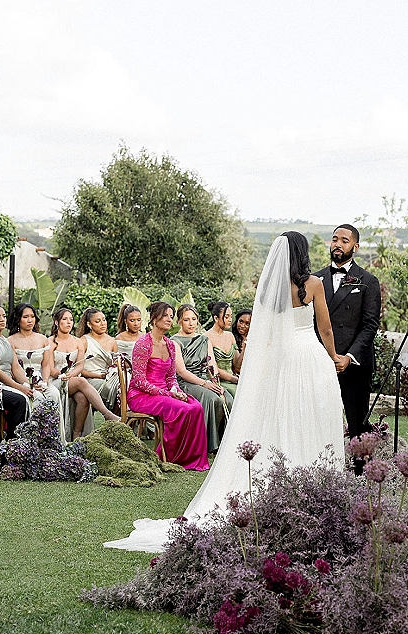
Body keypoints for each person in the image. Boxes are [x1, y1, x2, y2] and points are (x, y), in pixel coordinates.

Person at [104, 232, 345, 552]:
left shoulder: (269, 295)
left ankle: (280, 480)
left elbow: (264, 339)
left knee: (278, 419)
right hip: (308, 357)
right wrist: (333, 356)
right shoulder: (312, 285)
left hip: (282, 361)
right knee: (310, 417)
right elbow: (325, 328)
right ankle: (315, 486)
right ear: (302, 254)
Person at [314, 224, 382, 445]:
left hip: (354, 366)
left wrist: (348, 357)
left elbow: (370, 325)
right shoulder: (315, 280)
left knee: (357, 427)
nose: (338, 244)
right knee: (318, 422)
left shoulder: (368, 281)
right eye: (335, 239)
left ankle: (361, 477)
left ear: (356, 246)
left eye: (344, 240)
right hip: (320, 362)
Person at [125, 301, 209, 470]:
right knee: (181, 409)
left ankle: (191, 458)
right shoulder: (143, 344)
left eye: (171, 316)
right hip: (141, 395)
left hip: (164, 393)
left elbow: (171, 378)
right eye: (165, 316)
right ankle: (168, 456)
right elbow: (139, 381)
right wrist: (167, 394)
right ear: (154, 319)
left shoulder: (170, 345)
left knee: (195, 406)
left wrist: (177, 391)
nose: (169, 320)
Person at [49, 308, 120, 439]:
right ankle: (106, 413)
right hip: (55, 380)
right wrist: (62, 375)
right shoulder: (50, 341)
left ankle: (76, 434)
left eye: (71, 319)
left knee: (82, 397)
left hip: (72, 378)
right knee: (82, 381)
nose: (68, 322)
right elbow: (50, 369)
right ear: (56, 322)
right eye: (64, 319)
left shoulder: (77, 341)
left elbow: (80, 365)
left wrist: (72, 374)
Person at [172, 304, 233, 454]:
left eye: (194, 319)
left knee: (227, 398)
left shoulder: (204, 340)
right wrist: (204, 383)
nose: (191, 323)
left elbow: (211, 364)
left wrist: (215, 382)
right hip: (186, 383)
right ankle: (209, 444)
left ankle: (226, 443)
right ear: (179, 321)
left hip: (205, 380)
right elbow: (181, 371)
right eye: (186, 320)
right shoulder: (174, 341)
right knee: (213, 400)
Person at [7, 303, 65, 442]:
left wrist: (45, 381)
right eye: (25, 317)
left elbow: (45, 364)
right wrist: (29, 384)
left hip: (41, 379)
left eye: (32, 316)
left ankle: (56, 441)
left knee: (54, 393)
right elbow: (15, 368)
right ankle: (36, 441)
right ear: (18, 319)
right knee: (37, 397)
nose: (30, 320)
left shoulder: (42, 339)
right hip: (22, 381)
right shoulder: (11, 341)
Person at [0, 306, 30, 439]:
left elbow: (15, 368)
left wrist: (29, 385)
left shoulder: (7, 341)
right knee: (21, 399)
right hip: (0, 383)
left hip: (10, 382)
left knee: (36, 395)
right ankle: (13, 441)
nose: (2, 319)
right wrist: (20, 388)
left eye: (3, 316)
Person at [76, 308, 119, 412]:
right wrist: (100, 376)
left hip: (110, 379)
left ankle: (118, 421)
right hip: (90, 380)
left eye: (104, 320)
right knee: (116, 389)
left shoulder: (112, 341)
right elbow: (79, 369)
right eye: (97, 321)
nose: (102, 324)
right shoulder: (84, 341)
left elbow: (117, 364)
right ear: (89, 325)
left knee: (122, 385)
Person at [206, 302, 239, 397]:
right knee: (237, 393)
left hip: (234, 377)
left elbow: (236, 365)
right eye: (226, 317)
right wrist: (234, 380)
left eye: (231, 317)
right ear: (216, 318)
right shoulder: (207, 337)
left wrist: (245, 348)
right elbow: (211, 367)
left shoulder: (230, 335)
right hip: (217, 380)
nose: (230, 320)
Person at [231, 308, 252, 376]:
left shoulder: (255, 341)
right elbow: (236, 368)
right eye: (241, 321)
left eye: (247, 324)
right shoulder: (231, 338)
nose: (242, 326)